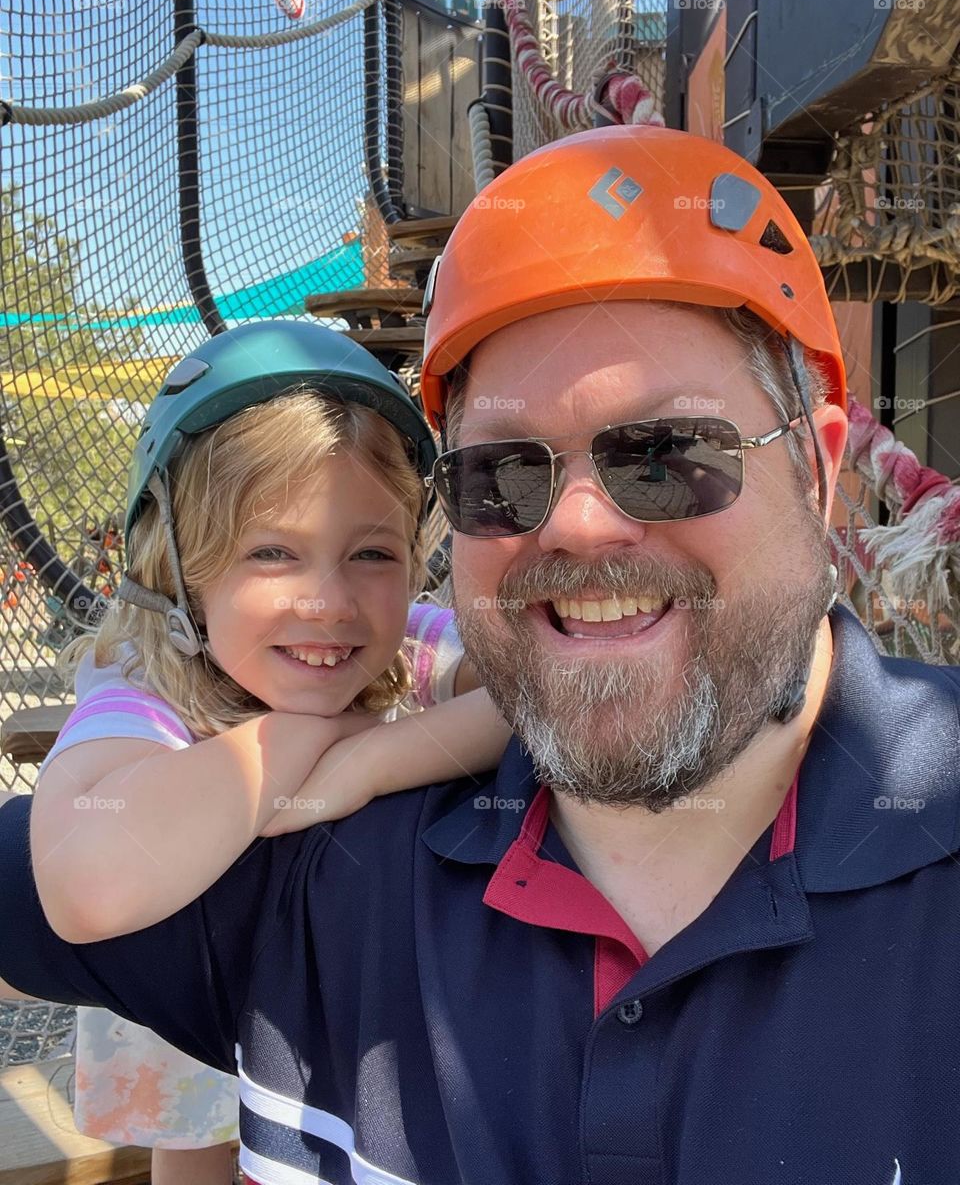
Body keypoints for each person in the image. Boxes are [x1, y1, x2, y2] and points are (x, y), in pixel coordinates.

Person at [3, 125, 960, 1185]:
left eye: (669, 454)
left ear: (820, 473)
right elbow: (78, 882)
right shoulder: (281, 857)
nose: (583, 526)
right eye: (503, 472)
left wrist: (355, 757)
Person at [18, 320, 508, 1185]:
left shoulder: (406, 649)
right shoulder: (144, 686)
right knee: (196, 1151)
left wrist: (362, 768)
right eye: (272, 552)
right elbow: (83, 885)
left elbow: (525, 702)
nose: (328, 602)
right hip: (183, 1014)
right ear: (181, 567)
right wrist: (302, 737)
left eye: (371, 554)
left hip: (324, 1009)